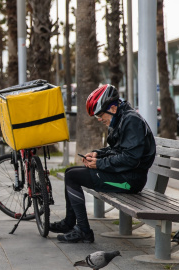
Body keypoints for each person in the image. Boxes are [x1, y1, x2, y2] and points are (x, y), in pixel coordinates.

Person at [50, 84, 156, 243]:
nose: (99, 119)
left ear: (113, 108)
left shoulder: (131, 121)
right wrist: (97, 154)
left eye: (100, 114)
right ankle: (70, 223)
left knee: (73, 176)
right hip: (124, 175)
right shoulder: (122, 118)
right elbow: (118, 150)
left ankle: (83, 231)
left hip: (130, 182)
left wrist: (99, 164)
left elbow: (130, 158)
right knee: (70, 173)